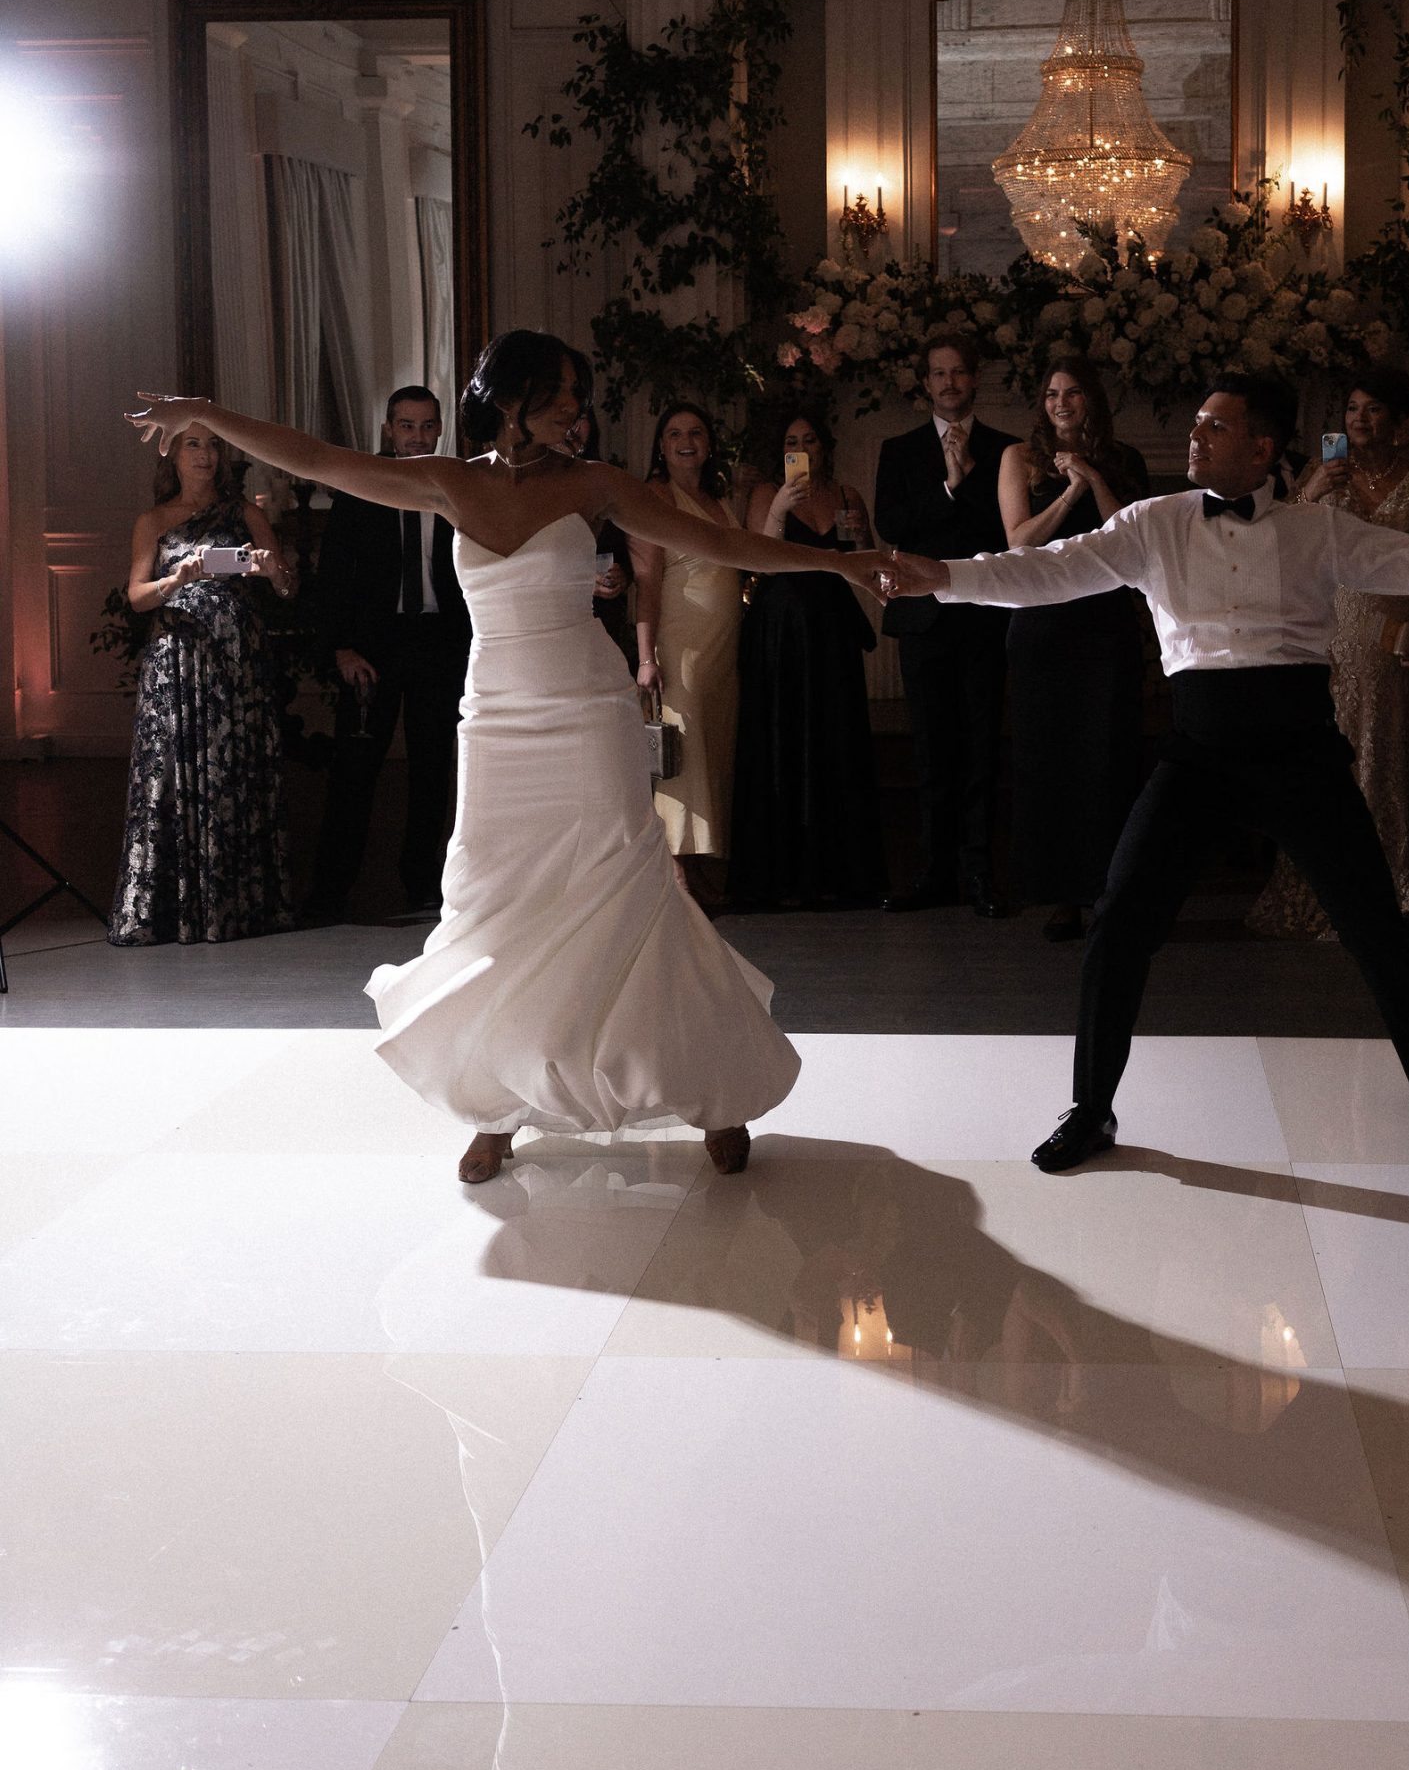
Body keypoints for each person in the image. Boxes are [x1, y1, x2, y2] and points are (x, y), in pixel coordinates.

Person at [127, 337, 900, 1182]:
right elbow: (314, 457)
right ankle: (494, 1108)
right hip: (495, 718)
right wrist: (205, 412)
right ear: (508, 396)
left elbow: (722, 547)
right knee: (494, 904)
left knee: (629, 892)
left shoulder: (596, 483)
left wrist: (840, 562)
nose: (575, 408)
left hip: (589, 710)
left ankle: (711, 1090)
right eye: (559, 392)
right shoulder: (448, 480)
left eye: (577, 394)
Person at [882, 374, 1409, 1172]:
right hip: (1198, 749)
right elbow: (1046, 571)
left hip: (1299, 746)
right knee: (1119, 923)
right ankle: (1090, 1109)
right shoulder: (1152, 522)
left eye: (1214, 427)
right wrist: (941, 577)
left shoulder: (1317, 528)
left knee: (1373, 921)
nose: (1194, 436)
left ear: (1262, 448)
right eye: (1195, 422)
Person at [1250, 370, 1409, 942]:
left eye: (1372, 409)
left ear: (1399, 421)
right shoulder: (1324, 477)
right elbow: (1277, 540)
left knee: (1391, 755)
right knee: (1329, 760)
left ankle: (1398, 889)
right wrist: (1313, 490)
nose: (1359, 419)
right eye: (1351, 409)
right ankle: (1330, 891)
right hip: (1332, 631)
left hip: (1397, 633)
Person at [109, 428, 296, 946]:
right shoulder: (153, 520)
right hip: (177, 664)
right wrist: (177, 580)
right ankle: (174, 909)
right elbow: (137, 597)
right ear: (172, 454)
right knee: (174, 774)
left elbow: (288, 587)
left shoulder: (246, 514)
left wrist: (270, 570)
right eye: (193, 444)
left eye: (213, 444)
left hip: (236, 662)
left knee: (235, 773)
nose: (206, 454)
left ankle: (237, 906)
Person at [997, 356, 1149, 942]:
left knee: (1109, 758)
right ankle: (1061, 895)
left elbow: (1129, 543)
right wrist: (1069, 494)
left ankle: (1113, 891)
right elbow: (1019, 543)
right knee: (1050, 761)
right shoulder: (1020, 458)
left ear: (1092, 401)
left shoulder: (1125, 459)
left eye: (1073, 392)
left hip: (1104, 623)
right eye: (1052, 393)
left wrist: (1094, 477)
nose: (1061, 402)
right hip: (1043, 623)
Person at [305, 385, 471, 922]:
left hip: (439, 643)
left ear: (440, 429)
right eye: (407, 426)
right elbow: (333, 574)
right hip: (372, 646)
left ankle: (422, 886)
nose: (418, 437)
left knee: (432, 771)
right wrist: (341, 647)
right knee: (355, 770)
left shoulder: (456, 484)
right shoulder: (362, 484)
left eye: (427, 426)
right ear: (388, 429)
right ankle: (331, 891)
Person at [873, 332, 1016, 917]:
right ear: (925, 383)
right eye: (939, 373)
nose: (950, 382)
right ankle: (934, 872)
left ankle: (980, 873)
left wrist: (970, 482)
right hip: (923, 619)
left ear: (974, 379)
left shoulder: (1006, 450)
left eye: (958, 372)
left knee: (981, 746)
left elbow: (1006, 529)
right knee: (931, 749)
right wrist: (948, 488)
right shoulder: (899, 450)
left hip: (983, 616)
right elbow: (891, 525)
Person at [726, 407, 886, 911]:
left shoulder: (846, 495)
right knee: (784, 734)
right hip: (781, 630)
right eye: (792, 442)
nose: (802, 449)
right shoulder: (765, 494)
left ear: (824, 447)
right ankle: (784, 874)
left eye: (810, 440)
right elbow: (757, 561)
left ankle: (841, 872)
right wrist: (778, 509)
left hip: (832, 627)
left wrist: (862, 535)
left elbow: (866, 565)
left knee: (836, 735)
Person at [629, 404, 744, 904]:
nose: (686, 441)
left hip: (724, 649)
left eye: (696, 432)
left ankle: (703, 865)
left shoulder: (718, 499)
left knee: (713, 750)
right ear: (660, 445)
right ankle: (674, 869)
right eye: (674, 433)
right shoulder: (655, 496)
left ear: (709, 443)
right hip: (682, 645)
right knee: (681, 753)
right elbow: (647, 580)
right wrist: (646, 656)